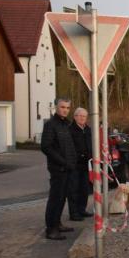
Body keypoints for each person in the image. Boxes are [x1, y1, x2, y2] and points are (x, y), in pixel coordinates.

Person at [40, 97, 77, 240]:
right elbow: (46, 147)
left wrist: (72, 162)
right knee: (55, 198)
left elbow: (69, 145)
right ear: (56, 107)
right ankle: (51, 229)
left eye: (67, 108)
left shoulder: (66, 124)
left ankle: (58, 223)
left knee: (62, 198)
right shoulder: (51, 125)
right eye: (62, 107)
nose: (65, 110)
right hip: (58, 168)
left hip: (68, 168)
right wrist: (63, 162)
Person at [67, 107, 93, 221]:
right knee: (73, 189)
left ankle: (82, 209)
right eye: (80, 116)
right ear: (75, 117)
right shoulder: (70, 130)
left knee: (84, 188)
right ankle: (74, 213)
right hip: (75, 164)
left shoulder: (88, 129)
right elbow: (69, 147)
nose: (82, 118)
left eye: (84, 116)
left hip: (86, 164)